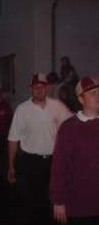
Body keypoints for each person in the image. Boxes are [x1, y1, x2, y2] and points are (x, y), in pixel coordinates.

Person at [7, 73, 72, 225]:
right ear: (30, 89)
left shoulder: (57, 106)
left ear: (47, 88)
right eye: (35, 87)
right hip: (31, 163)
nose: (39, 89)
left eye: (42, 86)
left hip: (54, 161)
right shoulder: (22, 110)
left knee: (56, 199)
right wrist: (11, 166)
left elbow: (71, 126)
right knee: (34, 203)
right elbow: (12, 139)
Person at [50, 77, 99, 225]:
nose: (98, 96)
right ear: (81, 99)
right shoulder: (69, 128)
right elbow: (59, 167)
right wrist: (58, 201)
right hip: (79, 205)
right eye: (93, 93)